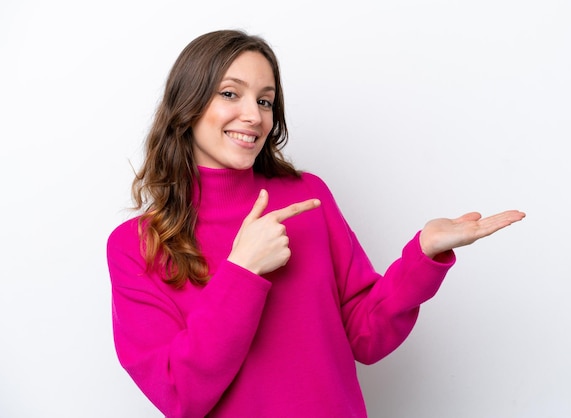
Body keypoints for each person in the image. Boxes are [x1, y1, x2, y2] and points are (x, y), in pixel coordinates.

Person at [106, 29, 525, 418]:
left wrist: (422, 256)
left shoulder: (307, 198)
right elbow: (180, 395)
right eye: (230, 94)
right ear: (187, 104)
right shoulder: (136, 245)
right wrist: (242, 270)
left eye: (265, 100)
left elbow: (365, 335)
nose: (253, 115)